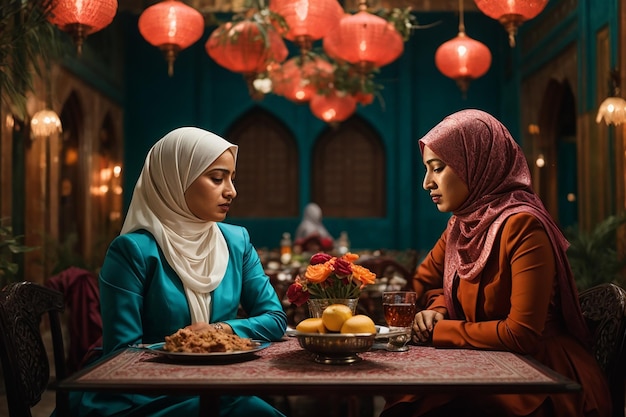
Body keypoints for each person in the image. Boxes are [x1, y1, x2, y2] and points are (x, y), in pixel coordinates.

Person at [381, 109, 611, 417]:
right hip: (479, 365)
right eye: (427, 170)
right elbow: (420, 285)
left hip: (538, 379)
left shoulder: (523, 227)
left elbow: (522, 334)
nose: (427, 183)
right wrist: (436, 308)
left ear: (475, 165)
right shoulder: (459, 226)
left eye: (437, 168)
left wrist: (441, 330)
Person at [69, 127, 288, 417]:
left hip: (217, 386)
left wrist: (218, 330)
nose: (231, 191)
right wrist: (191, 346)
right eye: (217, 178)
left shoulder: (237, 242)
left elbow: (274, 319)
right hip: (144, 395)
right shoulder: (133, 251)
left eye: (232, 179)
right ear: (175, 179)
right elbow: (123, 354)